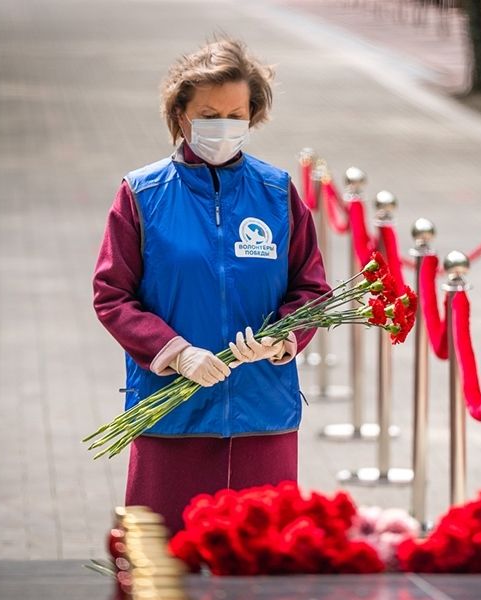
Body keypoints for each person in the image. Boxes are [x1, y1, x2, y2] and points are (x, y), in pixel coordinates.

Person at [92, 38, 329, 534]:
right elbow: (112, 294)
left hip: (263, 415)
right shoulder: (142, 194)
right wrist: (177, 354)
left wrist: (282, 338)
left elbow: (310, 287)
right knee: (163, 560)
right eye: (208, 114)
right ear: (181, 115)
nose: (223, 126)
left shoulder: (276, 192)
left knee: (260, 556)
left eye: (235, 115)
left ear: (252, 115)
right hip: (170, 416)